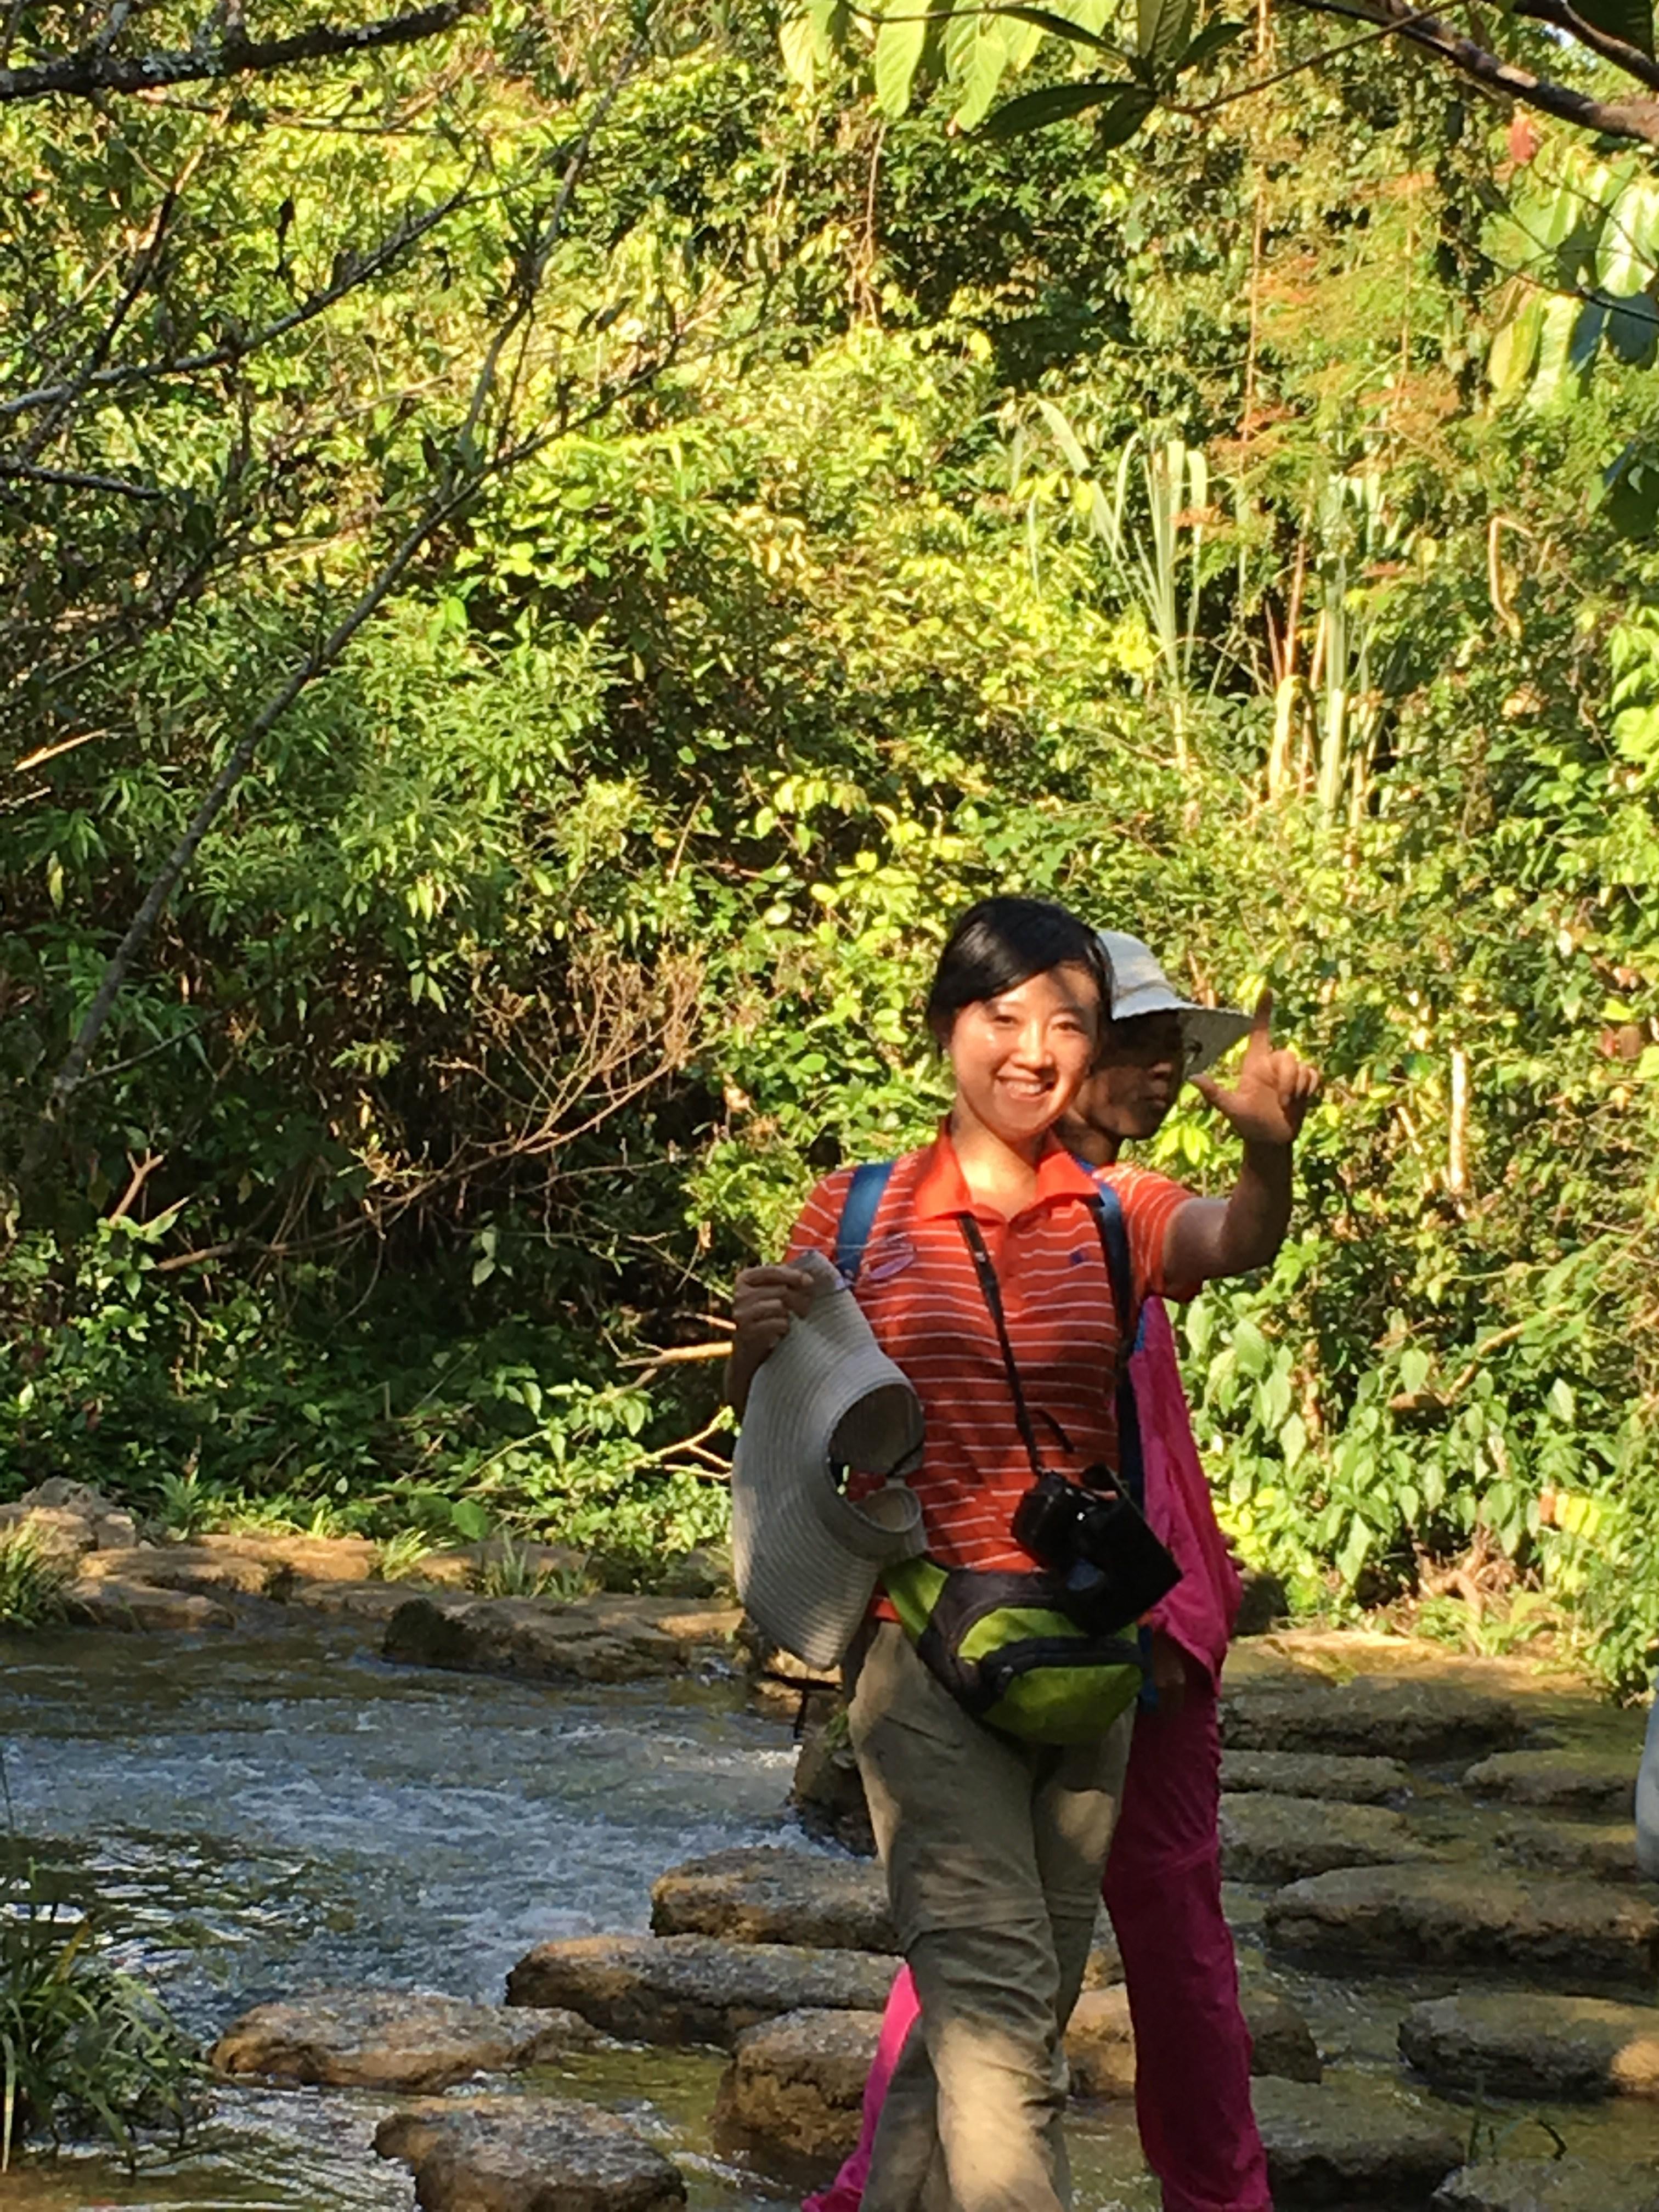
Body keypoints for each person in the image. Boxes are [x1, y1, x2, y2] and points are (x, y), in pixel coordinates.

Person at [730, 900, 1318, 2212]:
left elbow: (1237, 1238)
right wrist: (749, 1348)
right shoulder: (857, 1213)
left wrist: (1269, 1156)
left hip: (1085, 1662)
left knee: (1002, 2016)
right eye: (1004, 1018)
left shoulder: (1116, 1210)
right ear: (949, 1028)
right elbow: (782, 1428)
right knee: (1002, 2034)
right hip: (922, 1655)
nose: (1036, 1050)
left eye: (1069, 1025)